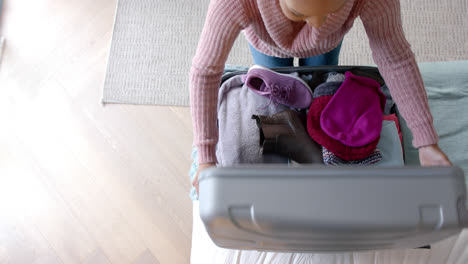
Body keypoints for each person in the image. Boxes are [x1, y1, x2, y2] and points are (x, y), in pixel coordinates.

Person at [189, 0, 452, 197]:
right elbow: (205, 71)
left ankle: (314, 84)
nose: (317, 26)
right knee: (272, 70)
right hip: (266, 40)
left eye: (332, 9)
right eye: (299, 13)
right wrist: (205, 156)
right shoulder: (234, 3)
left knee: (322, 69)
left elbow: (396, 59)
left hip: (329, 46)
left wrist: (426, 141)